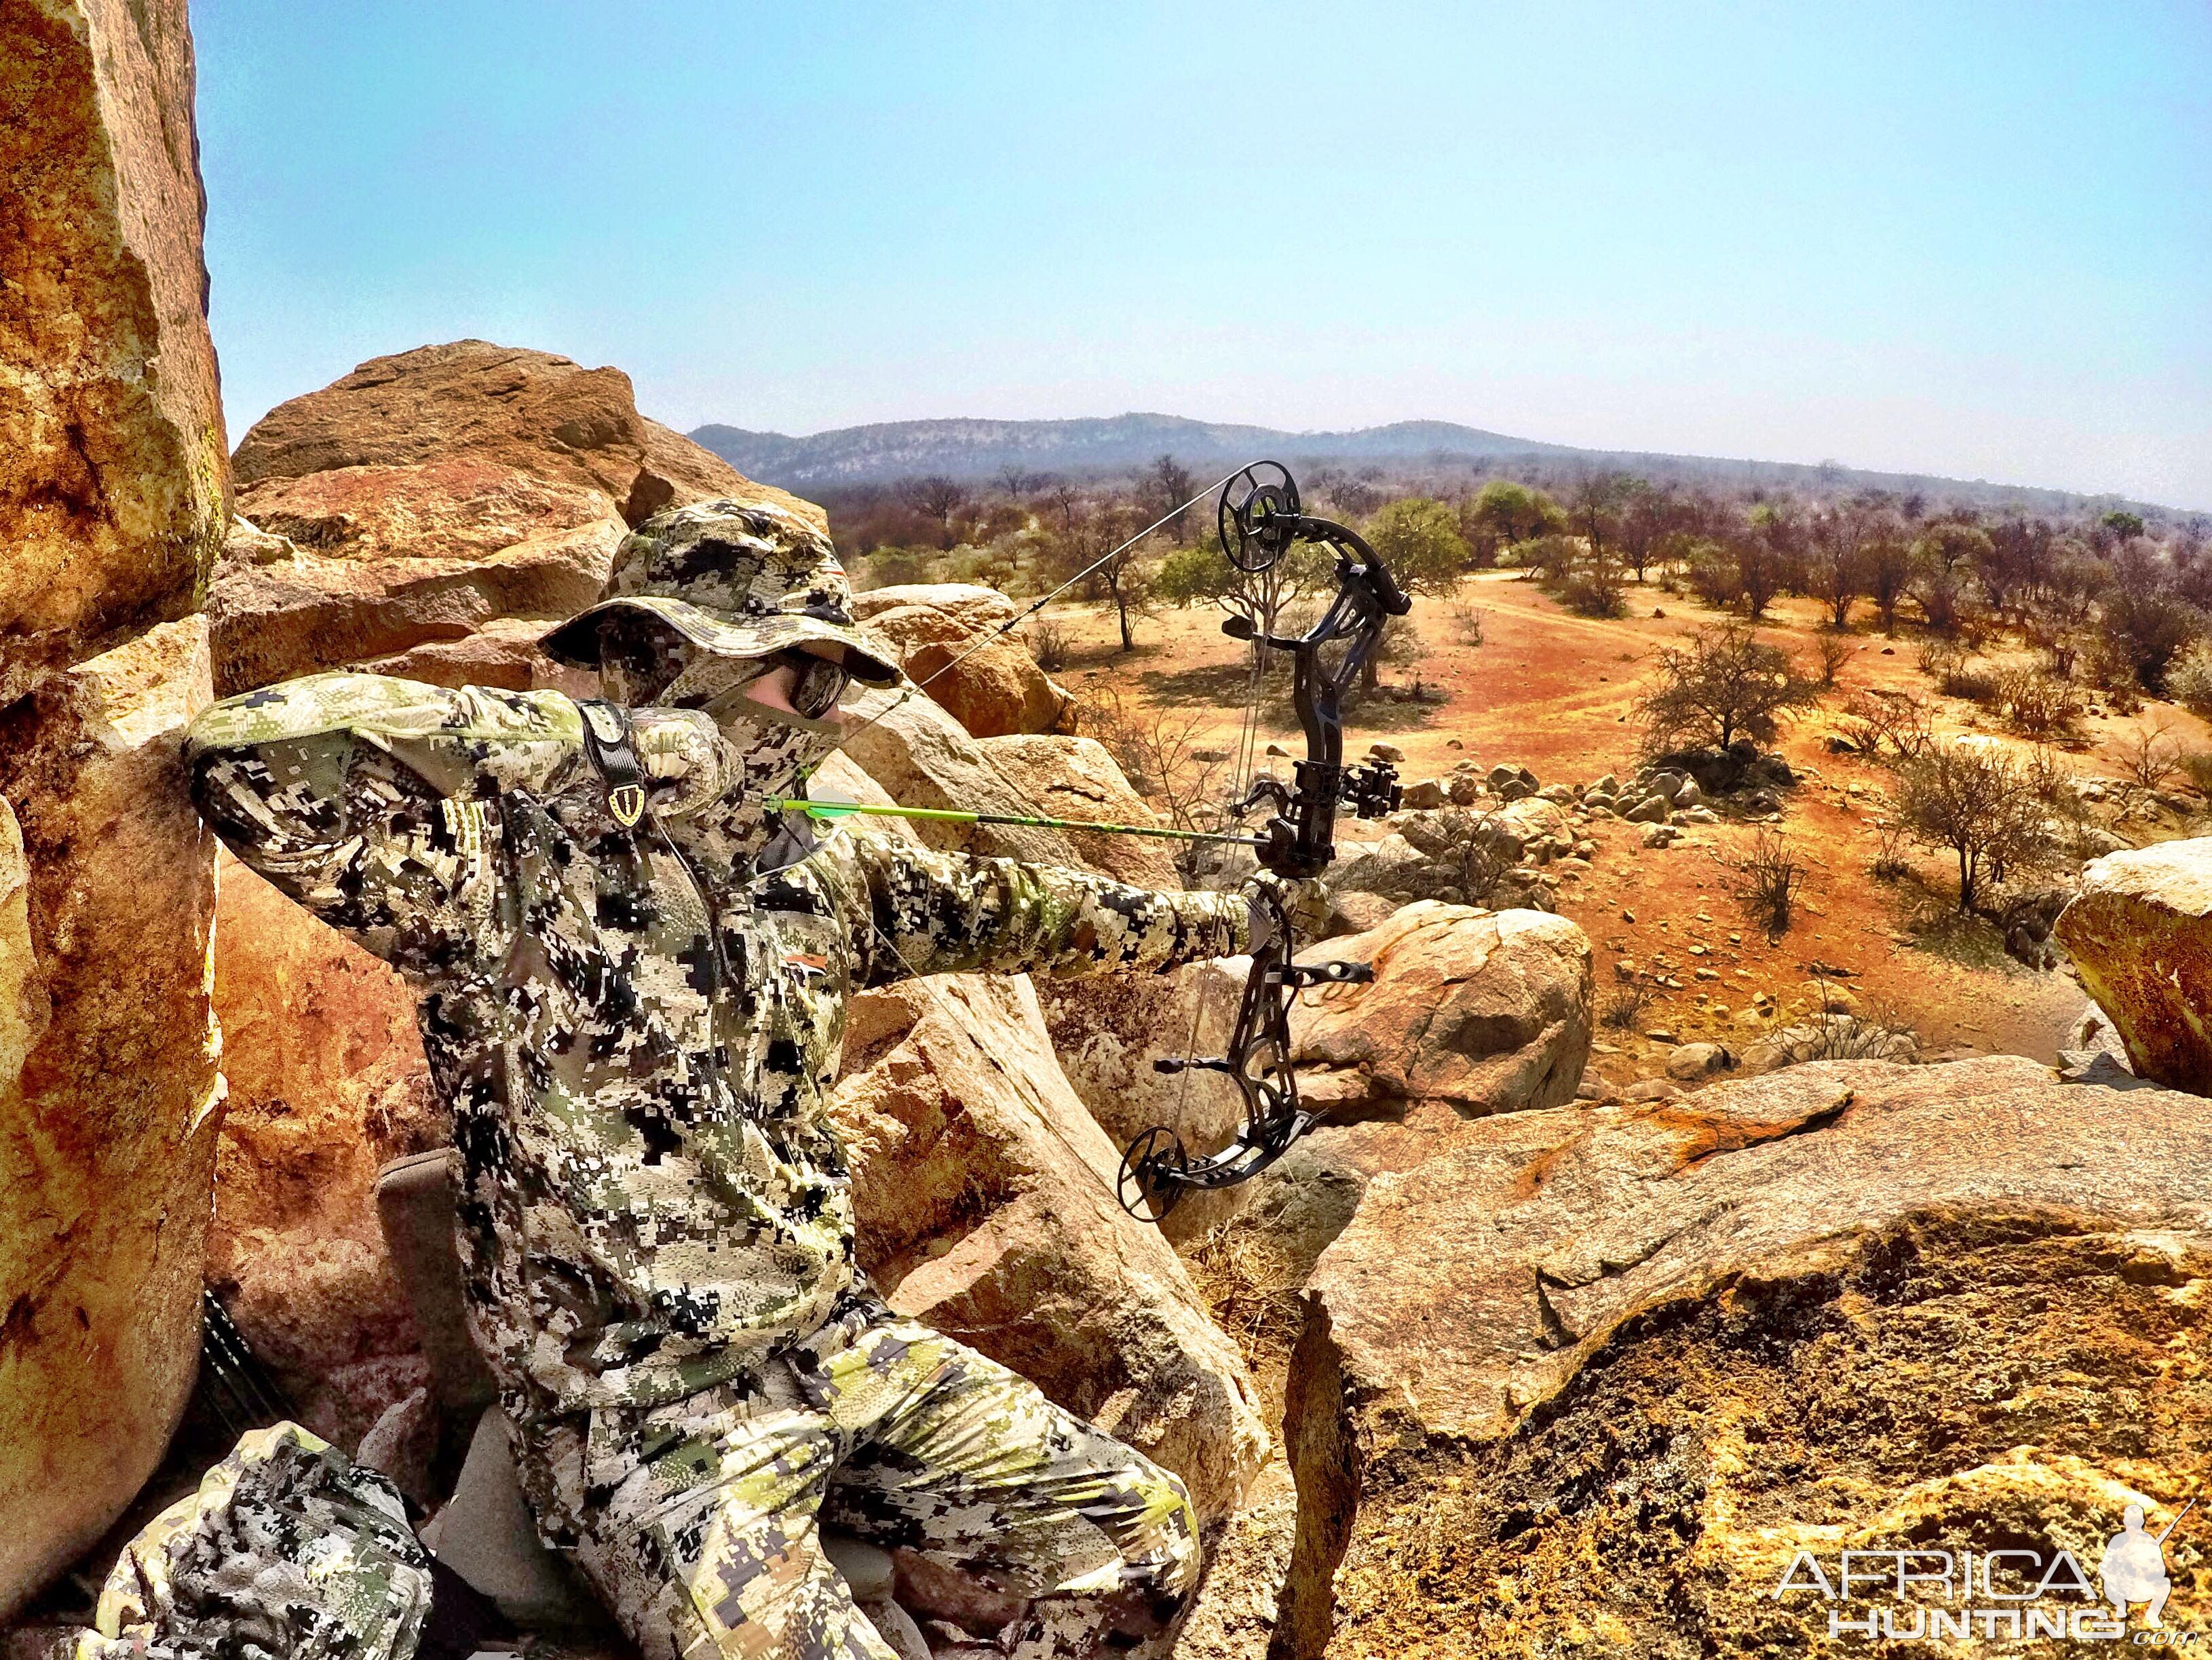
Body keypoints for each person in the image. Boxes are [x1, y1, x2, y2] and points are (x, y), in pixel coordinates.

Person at [187, 498, 1292, 1660]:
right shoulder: (491, 869)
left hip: (840, 1349)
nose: (819, 719)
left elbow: (1042, 911)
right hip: (642, 1421)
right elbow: (247, 749)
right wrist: (624, 754)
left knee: (1142, 1546)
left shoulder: (822, 869)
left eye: (831, 685)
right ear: (653, 657)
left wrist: (1233, 918)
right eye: (791, 677)